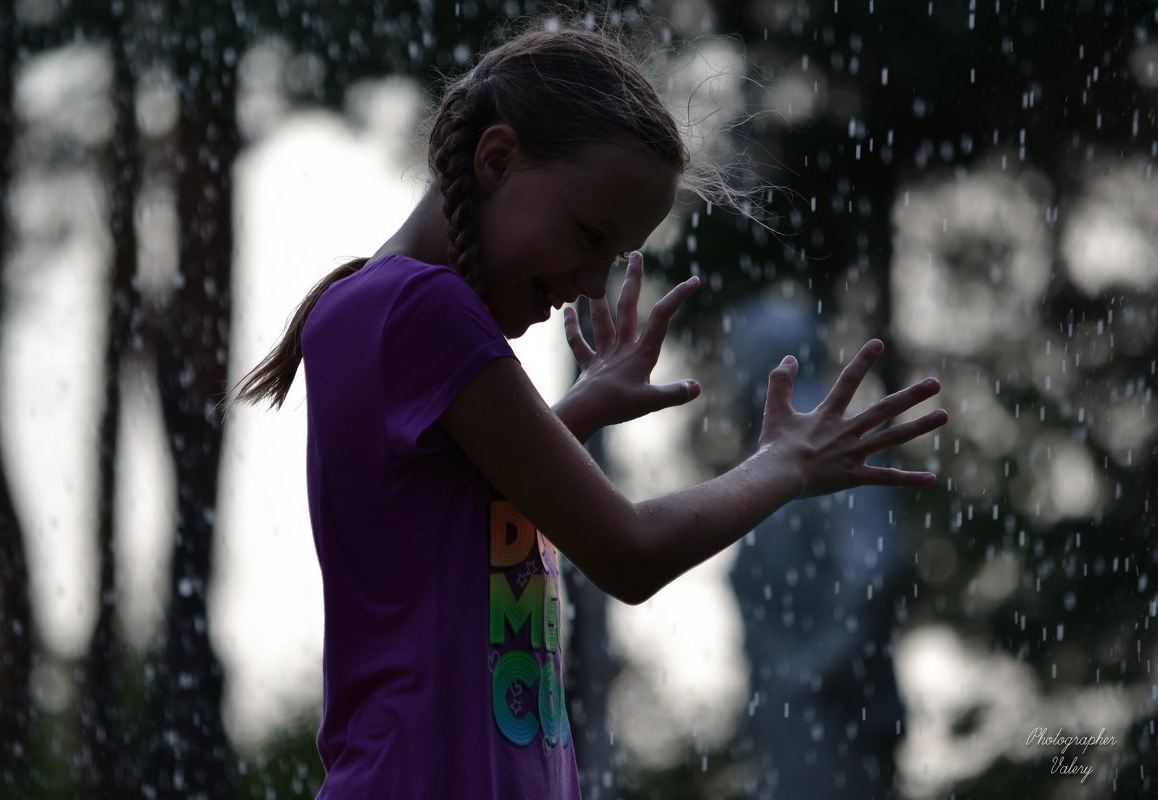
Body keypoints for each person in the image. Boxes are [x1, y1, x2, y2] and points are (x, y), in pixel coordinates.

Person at [233, 25, 947, 800]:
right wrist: (783, 466)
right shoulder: (420, 308)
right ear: (497, 159)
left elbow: (455, 499)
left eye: (614, 257)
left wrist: (573, 411)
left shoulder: (383, 310)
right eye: (588, 235)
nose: (590, 284)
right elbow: (627, 553)